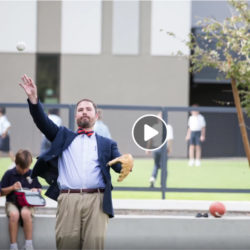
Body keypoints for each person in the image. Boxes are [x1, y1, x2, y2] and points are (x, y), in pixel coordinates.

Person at [19, 74, 133, 250]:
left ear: (96, 116)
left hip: (97, 201)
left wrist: (127, 163)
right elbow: (42, 122)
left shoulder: (108, 144)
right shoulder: (62, 136)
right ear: (75, 116)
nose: (84, 112)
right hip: (67, 200)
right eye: (80, 110)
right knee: (65, 245)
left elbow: (118, 166)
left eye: (88, 109)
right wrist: (33, 99)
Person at [1, 149, 42, 250]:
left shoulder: (32, 173)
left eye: (26, 168)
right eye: (21, 168)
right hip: (12, 202)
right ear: (16, 163)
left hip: (28, 203)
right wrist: (12, 188)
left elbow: (39, 189)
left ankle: (28, 244)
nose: (24, 171)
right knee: (14, 215)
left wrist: (35, 190)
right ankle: (13, 245)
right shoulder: (9, 174)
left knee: (25, 213)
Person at [147, 113, 174, 188]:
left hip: (155, 148)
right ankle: (163, 184)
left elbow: (150, 139)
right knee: (164, 167)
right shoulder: (168, 127)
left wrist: (148, 149)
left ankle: (152, 178)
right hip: (163, 148)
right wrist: (170, 148)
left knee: (156, 165)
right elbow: (170, 139)